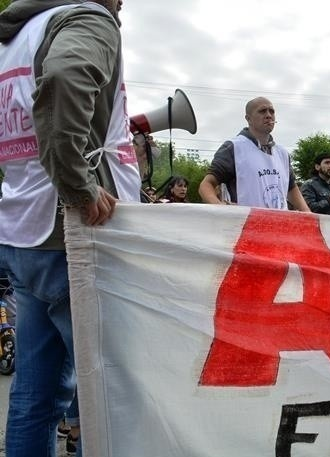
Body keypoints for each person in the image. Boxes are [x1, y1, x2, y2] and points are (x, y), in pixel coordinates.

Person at [0, 1, 140, 455]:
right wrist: (78, 183)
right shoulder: (88, 19)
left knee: (35, 395)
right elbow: (65, 78)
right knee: (112, 393)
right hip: (74, 235)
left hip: (25, 230)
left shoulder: (17, 37)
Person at [197, 97, 310, 212]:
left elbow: (291, 188)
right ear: (248, 119)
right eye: (262, 111)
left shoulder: (282, 153)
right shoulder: (233, 147)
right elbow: (206, 185)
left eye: (272, 111)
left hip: (279, 227)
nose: (268, 115)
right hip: (245, 226)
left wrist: (308, 214)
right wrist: (220, 208)